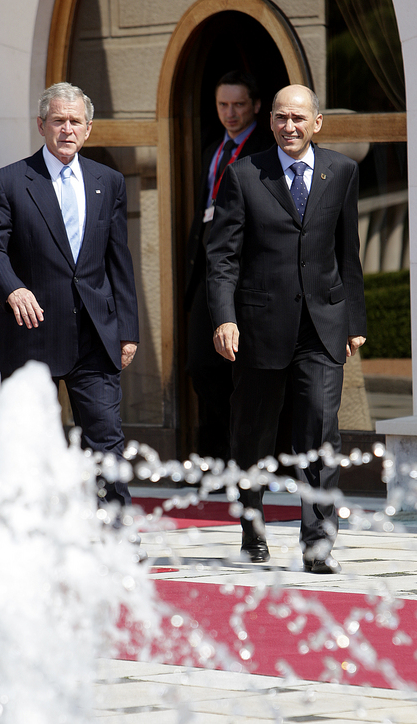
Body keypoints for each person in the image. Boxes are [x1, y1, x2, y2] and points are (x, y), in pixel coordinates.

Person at [207, 84, 367, 571]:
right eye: (281, 117)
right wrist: (225, 318)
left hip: (321, 326)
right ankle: (252, 529)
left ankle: (317, 544)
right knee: (252, 436)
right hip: (258, 328)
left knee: (319, 433)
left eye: (298, 117)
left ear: (317, 122)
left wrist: (354, 320)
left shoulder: (342, 171)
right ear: (270, 120)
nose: (289, 126)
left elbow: (348, 252)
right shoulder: (243, 174)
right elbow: (222, 257)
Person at [0, 82, 139, 510]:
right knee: (28, 446)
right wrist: (13, 288)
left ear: (88, 129)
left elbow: (119, 259)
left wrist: (127, 330)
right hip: (33, 332)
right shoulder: (7, 182)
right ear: (42, 125)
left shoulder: (109, 181)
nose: (67, 129)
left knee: (106, 441)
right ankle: (24, 532)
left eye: (75, 122)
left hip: (95, 336)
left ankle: (114, 532)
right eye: (58, 121)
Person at [186, 70, 272, 461]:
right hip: (207, 266)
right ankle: (227, 451)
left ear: (256, 105)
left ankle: (249, 456)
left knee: (247, 372)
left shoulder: (266, 149)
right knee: (201, 365)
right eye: (223, 105)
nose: (231, 113)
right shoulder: (212, 148)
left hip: (248, 269)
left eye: (239, 105)